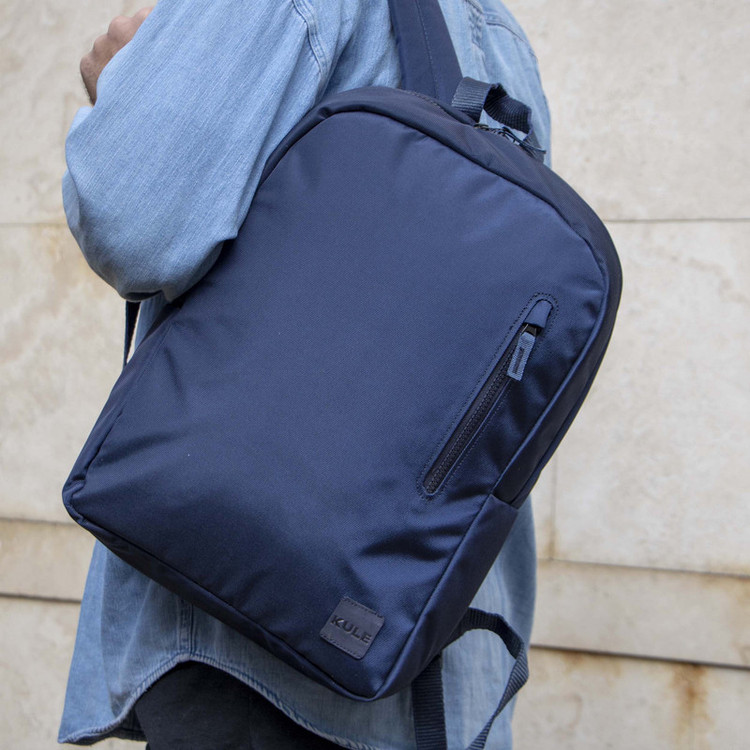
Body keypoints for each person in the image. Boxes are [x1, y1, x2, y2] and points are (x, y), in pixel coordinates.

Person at [58, 1, 551, 747]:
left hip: (247, 636)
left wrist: (125, 86)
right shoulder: (496, 33)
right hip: (428, 645)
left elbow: (134, 219)